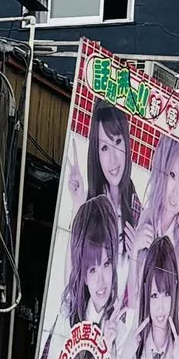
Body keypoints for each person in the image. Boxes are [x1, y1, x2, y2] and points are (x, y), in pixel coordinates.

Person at [35, 196, 121, 359]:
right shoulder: (70, 313)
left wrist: (106, 346)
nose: (101, 281)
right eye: (92, 270)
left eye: (106, 264)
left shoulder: (121, 322)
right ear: (83, 273)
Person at [128, 135, 179, 320]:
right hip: (135, 329)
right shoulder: (145, 218)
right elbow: (132, 302)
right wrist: (134, 252)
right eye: (172, 176)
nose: (175, 192)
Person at [68, 100, 142, 264]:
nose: (113, 158)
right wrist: (78, 203)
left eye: (117, 142)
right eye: (104, 148)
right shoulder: (87, 205)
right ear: (97, 154)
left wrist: (137, 259)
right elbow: (75, 269)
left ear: (127, 144)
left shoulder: (139, 216)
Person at [117, 236, 179, 359]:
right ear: (146, 293)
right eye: (154, 295)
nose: (160, 307)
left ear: (175, 288)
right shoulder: (130, 341)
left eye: (166, 294)